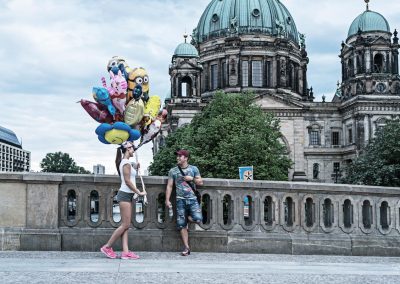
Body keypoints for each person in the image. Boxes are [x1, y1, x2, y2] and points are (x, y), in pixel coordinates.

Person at [100, 141, 146, 260]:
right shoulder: (125, 163)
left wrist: (136, 166)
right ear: (127, 150)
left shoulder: (127, 163)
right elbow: (127, 181)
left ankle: (125, 252)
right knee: (125, 224)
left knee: (126, 225)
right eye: (132, 148)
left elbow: (130, 171)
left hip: (127, 195)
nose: (133, 150)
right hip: (125, 194)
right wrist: (139, 192)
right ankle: (107, 247)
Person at [165, 149, 203, 256]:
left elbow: (200, 182)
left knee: (197, 218)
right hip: (180, 200)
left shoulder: (193, 169)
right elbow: (169, 186)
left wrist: (191, 179)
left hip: (192, 199)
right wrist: (167, 200)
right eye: (177, 156)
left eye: (179, 156)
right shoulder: (173, 171)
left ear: (185, 158)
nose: (177, 157)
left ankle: (186, 219)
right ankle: (187, 248)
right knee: (182, 225)